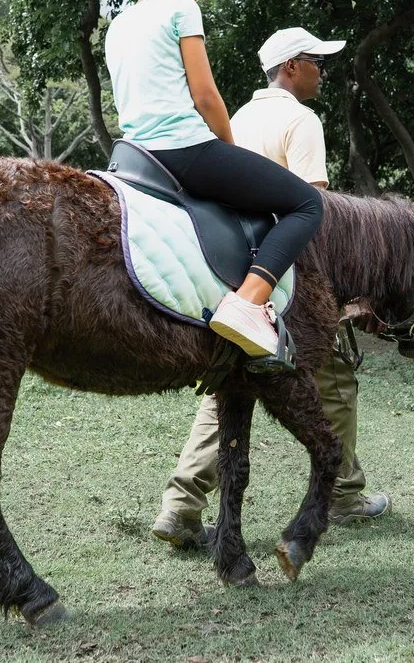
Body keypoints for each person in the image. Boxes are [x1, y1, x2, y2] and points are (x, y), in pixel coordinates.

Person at [151, 28, 391, 548]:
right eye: (316, 62)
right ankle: (345, 493)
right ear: (292, 67)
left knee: (230, 382)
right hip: (286, 278)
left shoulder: (239, 116)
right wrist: (337, 296)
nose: (322, 72)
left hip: (233, 268)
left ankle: (180, 503)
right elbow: (315, 216)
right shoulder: (301, 121)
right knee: (335, 380)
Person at [105, 0, 324, 363]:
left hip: (136, 156)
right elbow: (206, 97)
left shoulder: (117, 25)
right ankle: (248, 302)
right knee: (307, 203)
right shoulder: (181, 11)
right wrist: (230, 146)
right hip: (186, 149)